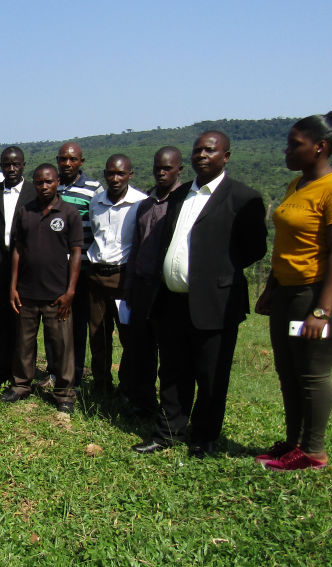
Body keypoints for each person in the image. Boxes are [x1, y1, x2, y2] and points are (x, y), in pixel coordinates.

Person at [133, 131, 267, 457]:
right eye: (197, 150)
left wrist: (214, 274)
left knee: (210, 375)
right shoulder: (180, 196)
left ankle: (204, 437)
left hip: (214, 303)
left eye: (210, 150)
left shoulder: (241, 197)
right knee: (173, 371)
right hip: (173, 302)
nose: (202, 155)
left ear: (226, 156)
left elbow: (254, 249)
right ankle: (168, 431)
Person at [254, 111, 332, 470]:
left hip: (319, 292)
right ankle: (292, 443)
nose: (287, 151)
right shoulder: (298, 184)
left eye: (295, 145)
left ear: (319, 147)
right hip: (289, 289)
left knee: (312, 371)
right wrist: (272, 287)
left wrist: (322, 310)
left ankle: (313, 451)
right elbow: (288, 243)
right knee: (287, 369)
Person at [0, 164, 84, 414]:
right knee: (24, 343)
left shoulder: (69, 213)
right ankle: (21, 384)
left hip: (57, 294)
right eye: (39, 182)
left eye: (48, 182)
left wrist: (70, 291)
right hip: (26, 291)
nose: (44, 186)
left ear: (57, 182)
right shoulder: (25, 211)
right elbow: (16, 249)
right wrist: (13, 286)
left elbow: (77, 253)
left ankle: (64, 393)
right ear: (34, 184)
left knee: (62, 345)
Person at [123, 147, 184, 417]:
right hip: (142, 285)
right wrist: (130, 285)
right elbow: (136, 245)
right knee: (141, 347)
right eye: (158, 167)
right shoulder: (146, 204)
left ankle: (170, 409)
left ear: (179, 170)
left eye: (167, 168)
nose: (161, 172)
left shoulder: (182, 203)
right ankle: (142, 401)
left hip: (167, 289)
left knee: (170, 352)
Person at [84, 154, 148, 396]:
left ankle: (128, 387)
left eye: (121, 173)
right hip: (97, 275)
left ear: (130, 175)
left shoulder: (141, 203)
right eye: (110, 173)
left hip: (124, 277)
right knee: (97, 334)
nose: (115, 178)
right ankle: (101, 386)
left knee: (128, 335)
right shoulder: (96, 202)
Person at [47, 141, 103, 387]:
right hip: (52, 267)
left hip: (81, 266)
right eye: (63, 159)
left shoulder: (94, 189)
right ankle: (53, 371)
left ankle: (76, 373)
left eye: (72, 159)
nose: (67, 164)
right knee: (52, 320)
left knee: (78, 322)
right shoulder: (50, 185)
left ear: (81, 161)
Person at [0, 146, 36, 383]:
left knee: (22, 321)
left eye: (16, 164)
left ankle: (22, 371)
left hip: (25, 267)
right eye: (7, 164)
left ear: (24, 165)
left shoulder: (34, 192)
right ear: (1, 166)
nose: (11, 169)